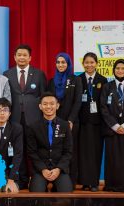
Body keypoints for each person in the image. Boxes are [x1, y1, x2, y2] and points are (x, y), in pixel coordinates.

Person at [3, 44, 47, 190]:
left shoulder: (39, 74)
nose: (22, 57)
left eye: (24, 55)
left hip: (34, 119)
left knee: (34, 149)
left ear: (30, 57)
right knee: (17, 149)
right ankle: (20, 180)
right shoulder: (7, 74)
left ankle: (37, 179)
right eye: (19, 55)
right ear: (14, 57)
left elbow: (43, 97)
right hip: (14, 118)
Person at [100, 59, 124, 192]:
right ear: (113, 70)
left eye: (123, 68)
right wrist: (115, 126)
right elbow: (103, 108)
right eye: (117, 68)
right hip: (111, 130)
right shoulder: (107, 86)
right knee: (112, 158)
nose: (120, 70)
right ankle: (111, 185)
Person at [47, 52, 82, 187]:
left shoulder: (75, 80)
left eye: (63, 62)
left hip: (71, 123)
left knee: (70, 151)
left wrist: (70, 120)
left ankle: (71, 181)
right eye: (58, 62)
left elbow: (78, 101)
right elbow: (49, 101)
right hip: (55, 122)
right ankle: (57, 182)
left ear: (68, 64)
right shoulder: (51, 81)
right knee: (56, 151)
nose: (60, 65)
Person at [27, 92, 73, 192]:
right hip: (40, 170)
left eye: (52, 103)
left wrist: (58, 169)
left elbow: (68, 151)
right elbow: (31, 152)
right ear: (40, 106)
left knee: (67, 195)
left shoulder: (65, 125)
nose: (48, 106)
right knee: (36, 195)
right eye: (45, 104)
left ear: (57, 106)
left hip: (59, 169)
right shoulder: (33, 127)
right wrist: (43, 169)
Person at [77, 52, 107, 192]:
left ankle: (94, 182)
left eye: (92, 62)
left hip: (97, 123)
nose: (89, 65)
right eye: (87, 62)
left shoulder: (103, 80)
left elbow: (105, 103)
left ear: (97, 63)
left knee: (96, 152)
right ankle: (84, 182)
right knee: (83, 153)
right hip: (82, 123)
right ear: (83, 64)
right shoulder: (79, 79)